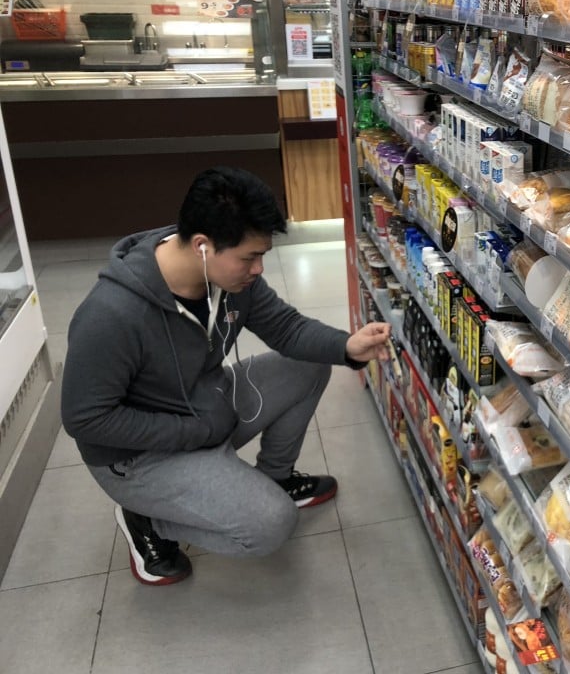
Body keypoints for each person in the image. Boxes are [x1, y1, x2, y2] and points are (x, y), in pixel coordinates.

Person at [61, 166, 391, 586]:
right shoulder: (111, 315)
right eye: (249, 257)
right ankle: (146, 521)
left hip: (205, 409)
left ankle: (274, 477)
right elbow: (86, 419)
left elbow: (286, 329)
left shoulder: (231, 280)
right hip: (139, 455)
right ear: (202, 246)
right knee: (271, 525)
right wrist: (194, 431)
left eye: (262, 256)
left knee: (308, 363)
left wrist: (347, 347)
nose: (257, 270)